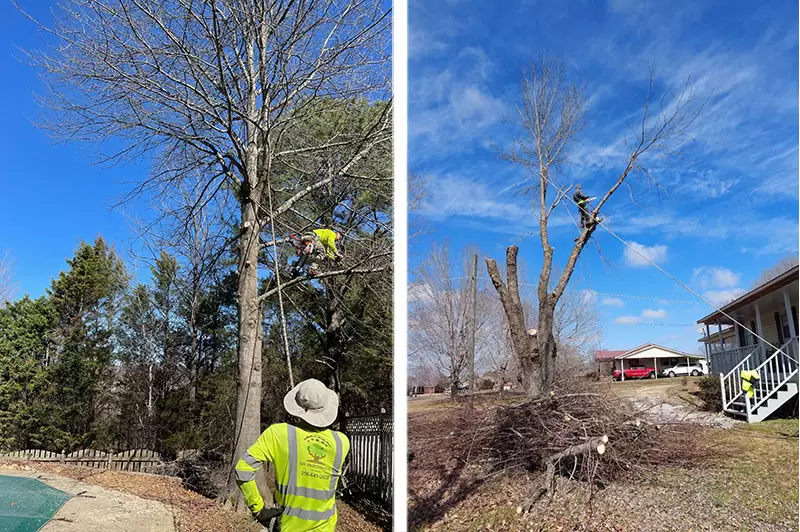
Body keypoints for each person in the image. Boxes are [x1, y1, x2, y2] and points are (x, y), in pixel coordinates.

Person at [234, 379, 350, 532]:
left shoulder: (279, 434)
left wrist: (259, 509)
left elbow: (243, 469)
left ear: (298, 408)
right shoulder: (341, 442)